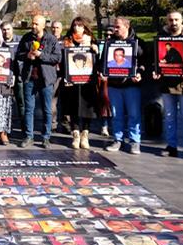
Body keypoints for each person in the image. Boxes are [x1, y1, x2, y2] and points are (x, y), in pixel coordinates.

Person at [151, 11, 183, 160]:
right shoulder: (161, 37)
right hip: (167, 84)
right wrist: (156, 70)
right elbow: (157, 59)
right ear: (167, 21)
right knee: (170, 116)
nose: (174, 23)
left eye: (177, 20)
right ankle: (171, 146)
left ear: (182, 20)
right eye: (171, 20)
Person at [15, 15, 62, 148]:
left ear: (43, 26)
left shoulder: (51, 39)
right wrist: (27, 55)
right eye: (33, 23)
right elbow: (18, 54)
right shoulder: (26, 38)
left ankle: (46, 137)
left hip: (46, 79)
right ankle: (29, 136)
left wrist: (41, 55)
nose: (33, 26)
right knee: (29, 109)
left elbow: (57, 58)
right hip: (29, 78)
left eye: (36, 24)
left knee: (47, 109)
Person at [103, 17, 145, 155]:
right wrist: (103, 72)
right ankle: (117, 139)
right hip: (114, 85)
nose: (115, 30)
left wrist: (139, 73)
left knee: (134, 115)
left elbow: (146, 62)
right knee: (116, 115)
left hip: (131, 86)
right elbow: (103, 62)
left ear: (127, 26)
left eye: (118, 27)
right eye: (114, 27)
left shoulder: (138, 43)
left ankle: (135, 142)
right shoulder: (110, 43)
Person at [59, 17, 99, 150]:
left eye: (80, 26)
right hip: (72, 82)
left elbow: (98, 61)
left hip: (87, 81)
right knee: (73, 107)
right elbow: (62, 62)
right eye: (75, 25)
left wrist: (94, 50)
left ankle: (85, 135)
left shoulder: (92, 41)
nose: (77, 28)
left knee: (87, 109)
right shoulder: (67, 41)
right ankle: (75, 135)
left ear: (85, 27)